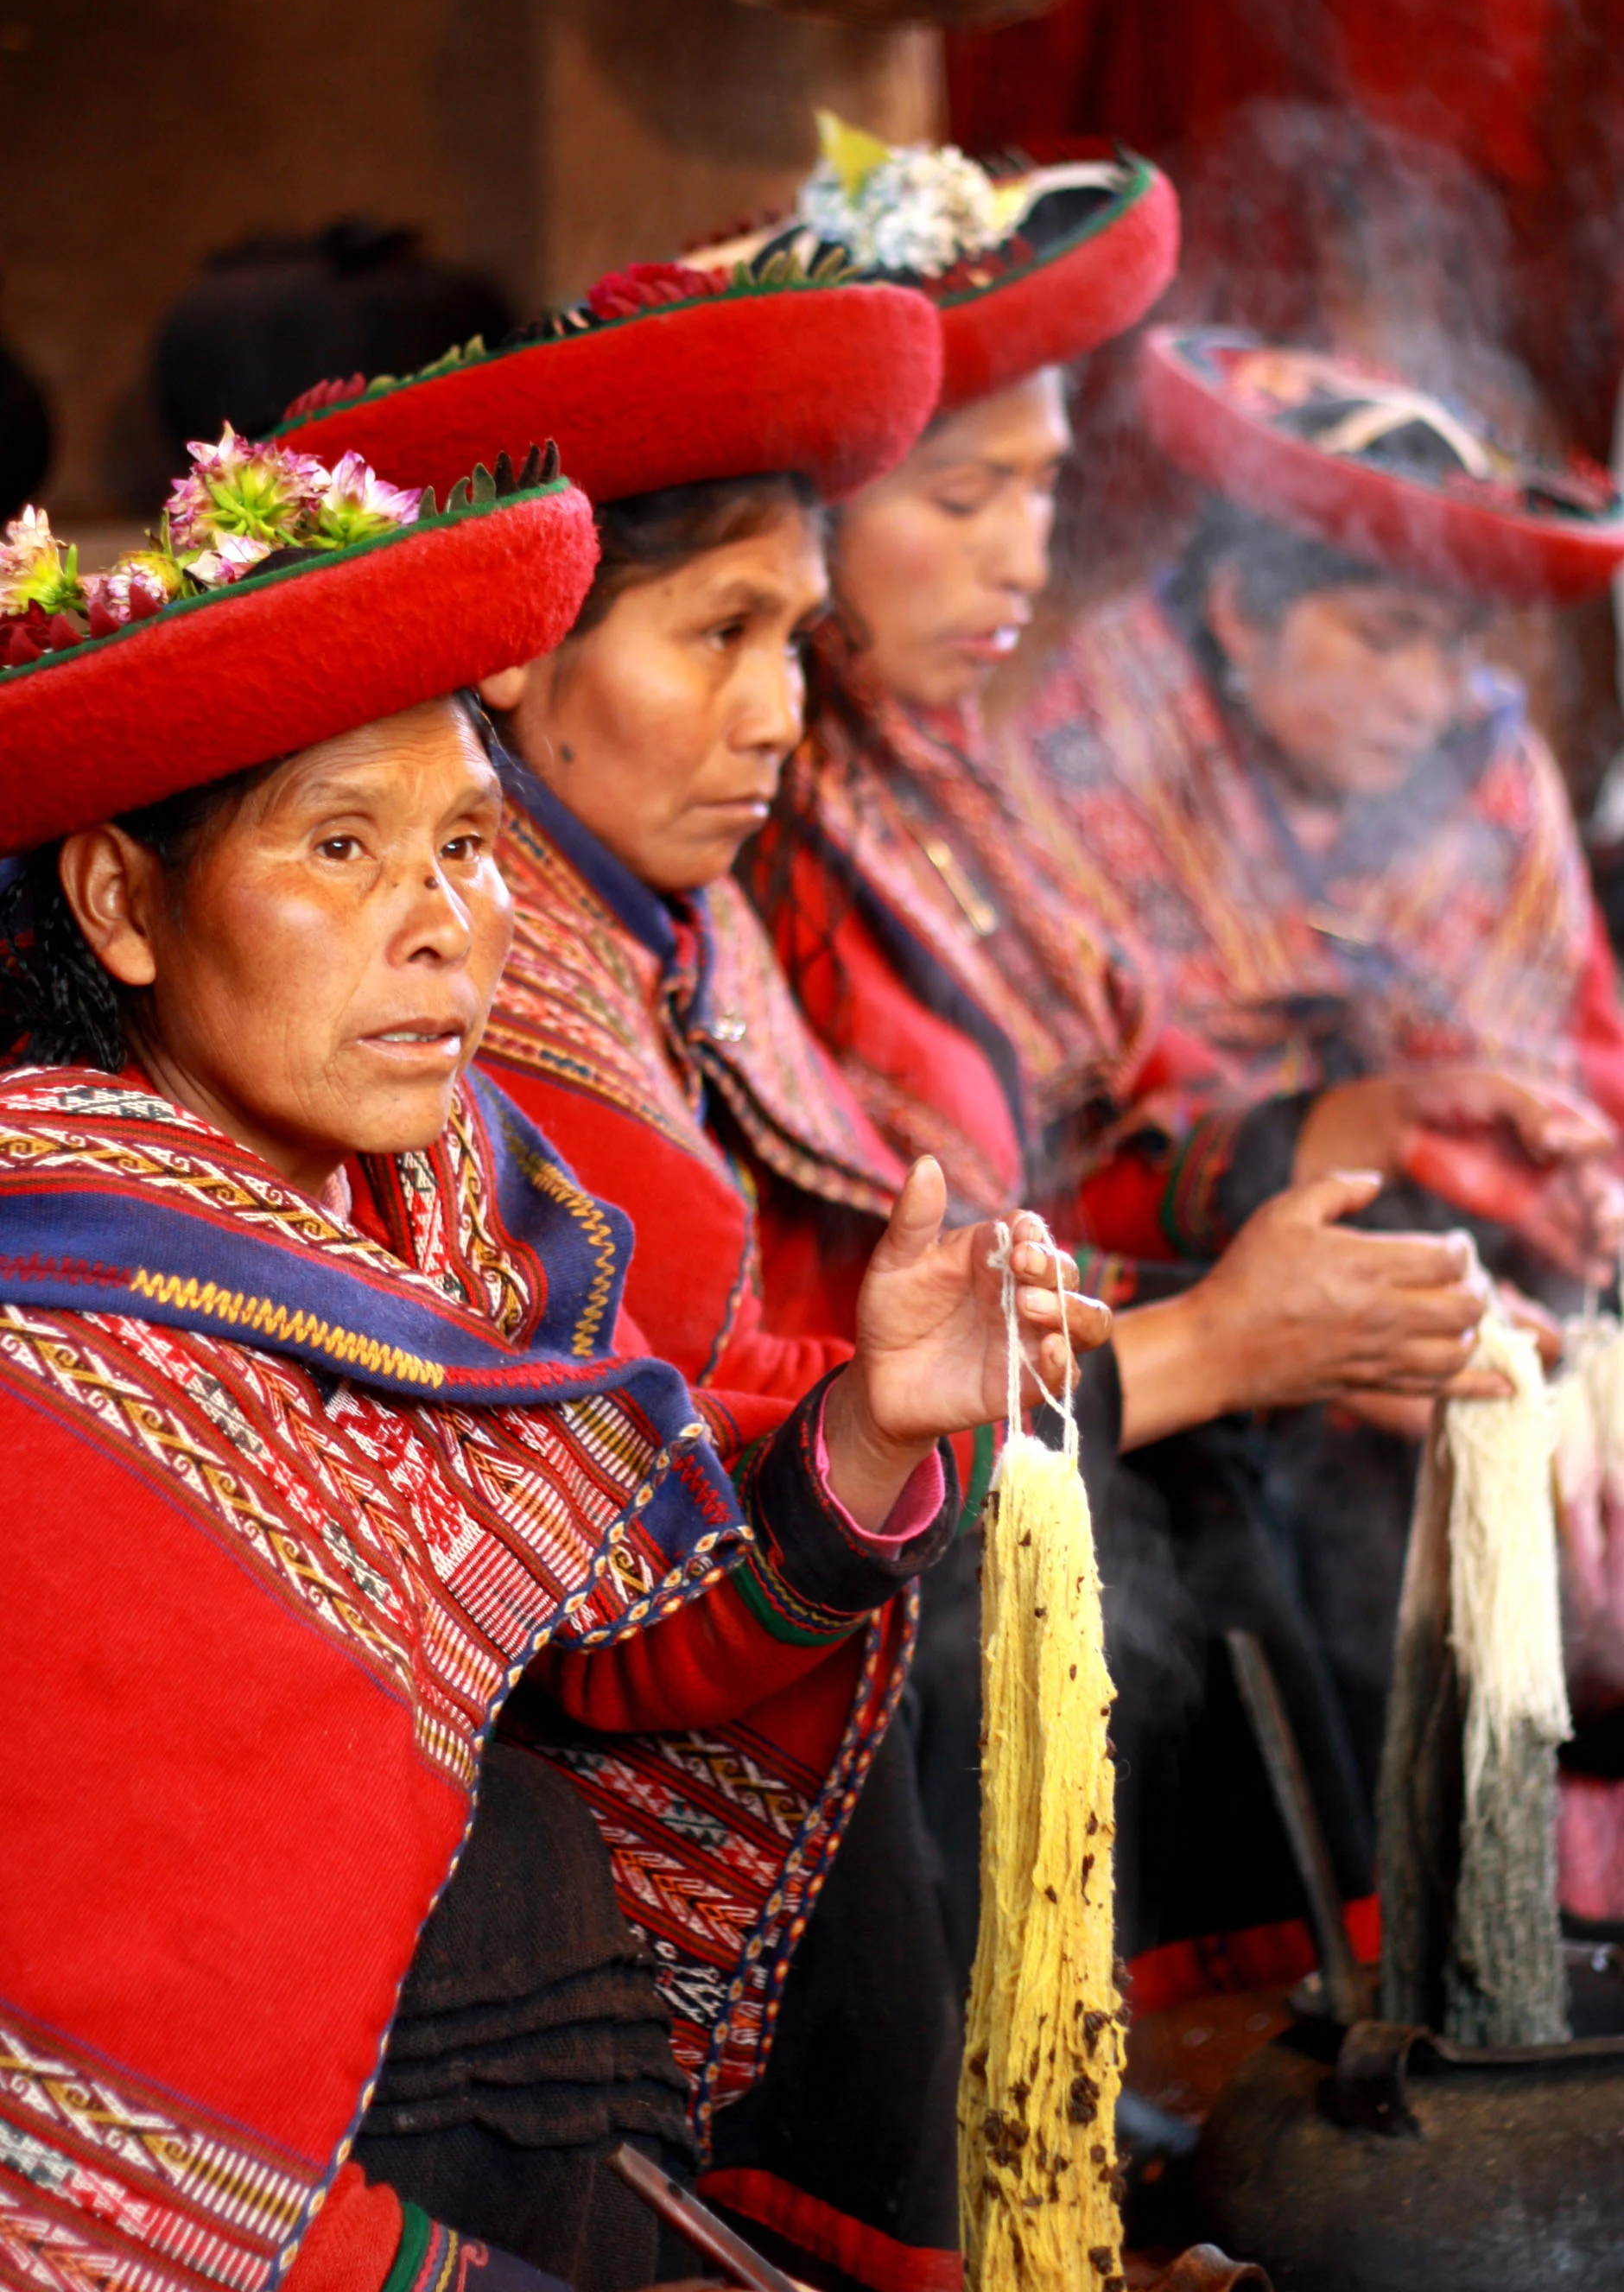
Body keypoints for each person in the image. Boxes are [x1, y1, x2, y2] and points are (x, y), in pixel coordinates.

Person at [0, 436, 1100, 2292]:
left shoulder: (459, 1209)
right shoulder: (66, 1352)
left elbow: (613, 1649)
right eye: (341, 846)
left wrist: (866, 1416)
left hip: (534, 2148)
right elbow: (84, 2135)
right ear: (119, 903)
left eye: (466, 847)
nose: (443, 926)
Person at [723, 124, 1623, 1959]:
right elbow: (896, 1267)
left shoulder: (932, 774)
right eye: (957, 499)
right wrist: (1252, 1329)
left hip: (1088, 1408)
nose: (1017, 561)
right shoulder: (779, 812)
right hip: (897, 1515)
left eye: (1040, 495)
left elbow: (1099, 1119)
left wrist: (1338, 1136)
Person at [1013, 327, 1624, 1151]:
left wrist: (1581, 1179)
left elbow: (1595, 1080)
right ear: (1239, 614)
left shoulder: (1495, 780)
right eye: (1382, 636)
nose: (1428, 698)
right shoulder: (1089, 749)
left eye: (1457, 646)